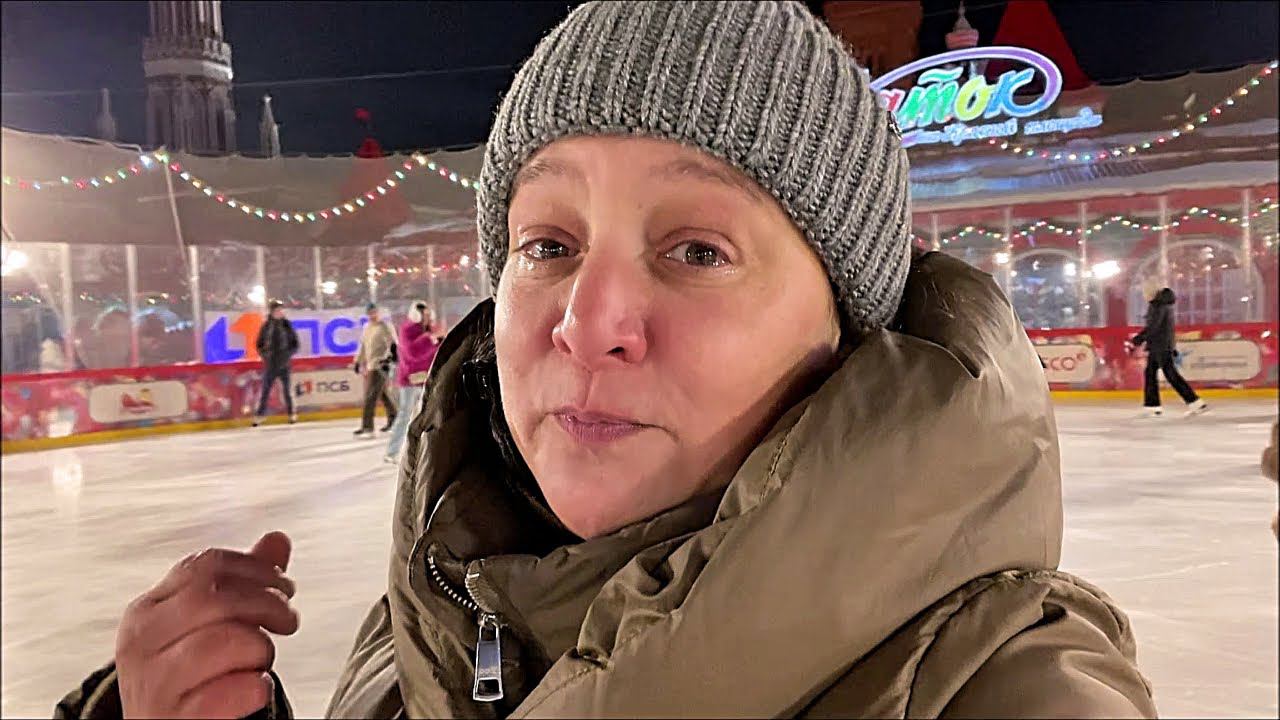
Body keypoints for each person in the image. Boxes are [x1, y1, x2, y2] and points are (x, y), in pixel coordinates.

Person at [56, 3, 1157, 719]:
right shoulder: (431, 620)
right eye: (547, 244)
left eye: (697, 250)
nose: (587, 323)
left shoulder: (1002, 682)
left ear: (848, 331)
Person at [1130, 285, 1207, 417]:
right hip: (1160, 346)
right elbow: (1166, 329)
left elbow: (1154, 327)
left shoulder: (1157, 306)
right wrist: (1171, 346)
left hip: (1160, 347)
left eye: (1145, 292)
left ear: (1151, 294)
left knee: (1170, 375)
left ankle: (1194, 402)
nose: (1144, 295)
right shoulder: (1164, 306)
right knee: (1152, 374)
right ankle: (1153, 406)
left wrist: (1139, 338)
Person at [383, 300, 441, 464]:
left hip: (426, 379)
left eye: (428, 315)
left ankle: (425, 452)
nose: (427, 318)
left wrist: (437, 341)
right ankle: (392, 451)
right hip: (410, 380)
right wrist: (429, 340)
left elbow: (435, 352)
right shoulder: (407, 330)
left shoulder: (428, 330)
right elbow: (412, 354)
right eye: (425, 315)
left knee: (429, 416)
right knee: (405, 416)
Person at [352, 303, 396, 437]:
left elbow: (393, 344)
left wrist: (388, 359)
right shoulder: (367, 328)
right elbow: (363, 346)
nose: (373, 315)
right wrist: (357, 361)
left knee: (370, 396)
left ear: (378, 312)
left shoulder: (385, 327)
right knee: (383, 395)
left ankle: (368, 428)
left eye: (374, 312)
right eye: (370, 313)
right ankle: (395, 421)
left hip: (381, 365)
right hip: (371, 365)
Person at [252, 301, 299, 426]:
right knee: (265, 391)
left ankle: (291, 414)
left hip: (284, 363)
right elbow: (259, 344)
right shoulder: (267, 326)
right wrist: (265, 356)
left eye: (281, 310)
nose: (280, 312)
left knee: (287, 391)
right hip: (271, 364)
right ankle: (260, 415)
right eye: (277, 310)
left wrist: (287, 355)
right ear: (272, 312)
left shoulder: (287, 325)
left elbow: (295, 344)